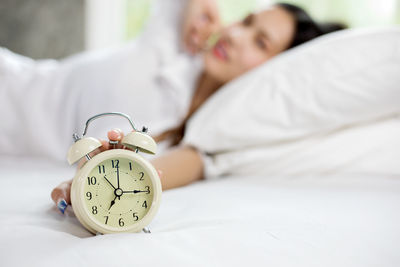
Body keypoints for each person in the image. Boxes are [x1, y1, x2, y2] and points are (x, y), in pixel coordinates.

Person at [51, 0, 346, 213]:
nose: (233, 35)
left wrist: (91, 184)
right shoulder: (176, 40)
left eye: (260, 43)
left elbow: (167, 169)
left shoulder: (214, 132)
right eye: (245, 21)